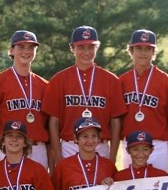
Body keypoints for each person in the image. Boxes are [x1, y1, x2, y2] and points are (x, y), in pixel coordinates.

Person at [42, 26, 126, 169]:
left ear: (97, 48)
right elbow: (53, 122)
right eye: (81, 47)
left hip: (100, 146)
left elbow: (115, 121)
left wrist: (112, 158)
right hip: (70, 146)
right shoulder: (59, 79)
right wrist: (58, 157)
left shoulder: (111, 80)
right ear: (72, 48)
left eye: (91, 47)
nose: (86, 52)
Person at [0, 31, 50, 168]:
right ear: (11, 50)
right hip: (8, 149)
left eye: (31, 47)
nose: (26, 51)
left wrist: (52, 164)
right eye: (21, 47)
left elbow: (48, 127)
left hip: (38, 150)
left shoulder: (45, 85)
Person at [119, 30, 168, 172]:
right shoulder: (122, 81)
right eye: (139, 48)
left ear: (154, 52)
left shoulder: (166, 81)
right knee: (130, 187)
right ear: (131, 51)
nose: (143, 53)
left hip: (157, 145)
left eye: (148, 49)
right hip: (130, 144)